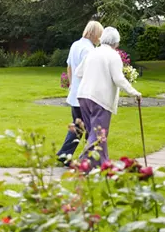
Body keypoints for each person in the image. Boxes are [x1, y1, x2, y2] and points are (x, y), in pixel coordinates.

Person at [75, 27, 142, 167]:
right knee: (99, 135)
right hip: (100, 99)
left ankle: (103, 163)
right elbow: (118, 79)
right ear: (116, 43)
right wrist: (134, 92)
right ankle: (82, 163)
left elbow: (78, 72)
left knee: (95, 134)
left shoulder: (92, 52)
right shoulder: (113, 55)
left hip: (83, 96)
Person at [57, 21, 104, 165]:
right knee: (91, 128)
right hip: (85, 95)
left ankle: (65, 154)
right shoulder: (89, 50)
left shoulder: (75, 45)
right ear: (95, 34)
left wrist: (72, 84)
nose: (100, 39)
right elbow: (89, 73)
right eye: (99, 35)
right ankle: (89, 158)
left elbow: (69, 66)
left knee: (77, 126)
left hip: (75, 93)